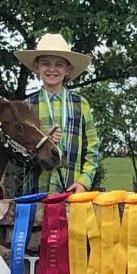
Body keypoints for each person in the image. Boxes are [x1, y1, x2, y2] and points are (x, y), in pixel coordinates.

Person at [15, 33, 100, 195]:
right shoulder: (26, 107)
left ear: (68, 70)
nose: (52, 69)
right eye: (45, 63)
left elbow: (92, 149)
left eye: (59, 65)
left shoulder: (80, 104)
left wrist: (84, 182)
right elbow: (19, 153)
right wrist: (41, 142)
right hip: (36, 191)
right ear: (36, 67)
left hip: (72, 191)